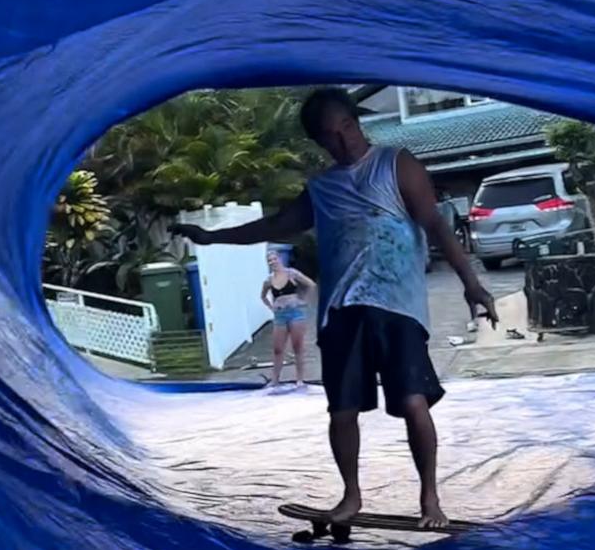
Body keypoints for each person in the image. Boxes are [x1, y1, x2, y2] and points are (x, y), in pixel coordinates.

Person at [172, 88, 498, 527]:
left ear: (356, 122)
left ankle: (430, 500)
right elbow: (272, 225)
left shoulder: (396, 165)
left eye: (347, 128)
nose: (343, 141)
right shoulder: (321, 189)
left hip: (396, 308)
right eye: (331, 136)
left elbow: (436, 225)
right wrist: (214, 238)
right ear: (320, 142)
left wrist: (471, 283)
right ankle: (351, 497)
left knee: (413, 402)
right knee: (342, 410)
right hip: (342, 310)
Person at [260, 250, 315, 391]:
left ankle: (300, 380)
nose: (272, 262)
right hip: (280, 316)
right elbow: (263, 296)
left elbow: (311, 285)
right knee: (278, 349)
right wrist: (271, 307)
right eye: (269, 261)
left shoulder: (292, 273)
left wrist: (304, 301)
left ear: (280, 259)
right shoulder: (268, 280)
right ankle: (275, 380)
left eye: (274, 259)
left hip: (295, 313)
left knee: (298, 347)